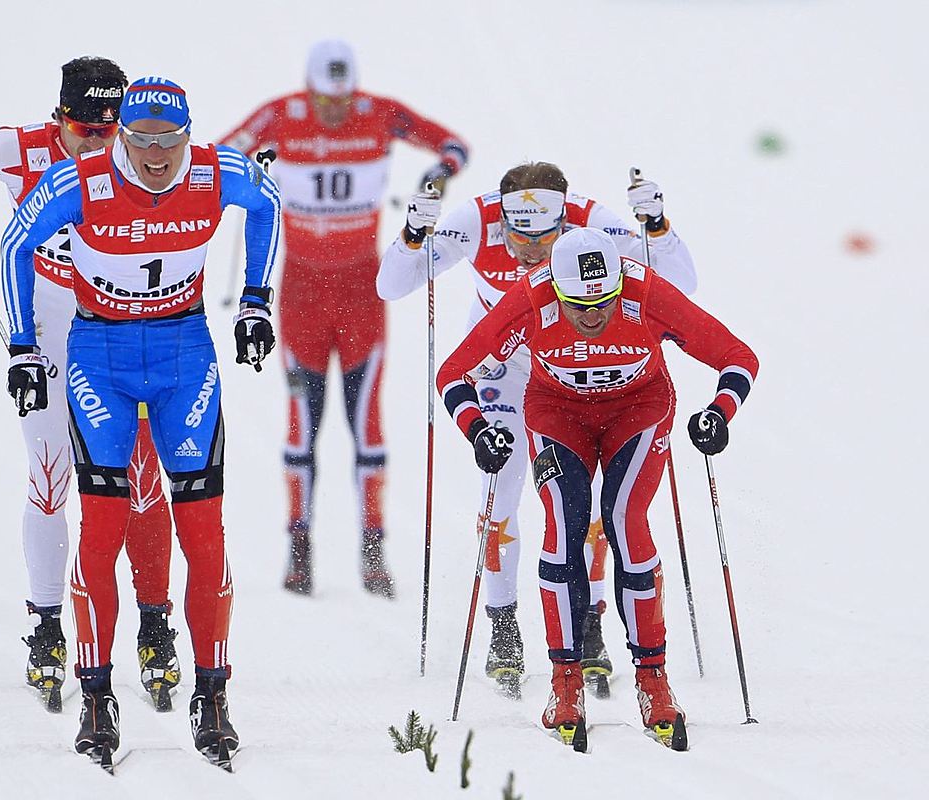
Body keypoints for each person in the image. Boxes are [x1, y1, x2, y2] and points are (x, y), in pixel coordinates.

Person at [0, 75, 281, 770]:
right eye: (142, 139)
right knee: (101, 525)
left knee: (202, 528)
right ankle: (96, 697)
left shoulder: (217, 170)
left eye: (170, 140)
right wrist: (23, 347)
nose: (157, 155)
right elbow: (14, 244)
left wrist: (254, 301)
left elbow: (270, 203)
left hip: (185, 350)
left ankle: (212, 695)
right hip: (101, 352)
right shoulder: (81, 180)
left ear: (189, 135)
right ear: (121, 133)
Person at [378, 162, 696, 695]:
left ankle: (590, 623)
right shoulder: (476, 221)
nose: (527, 249)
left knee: (591, 507)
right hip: (502, 365)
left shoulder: (592, 225)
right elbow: (391, 286)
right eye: (515, 234)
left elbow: (681, 286)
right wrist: (413, 235)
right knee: (499, 494)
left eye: (543, 236)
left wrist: (657, 226)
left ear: (564, 223)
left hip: (572, 367)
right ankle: (503, 628)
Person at [435, 226, 757, 750]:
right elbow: (453, 372)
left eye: (604, 301)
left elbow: (738, 357)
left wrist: (720, 414)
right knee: (564, 524)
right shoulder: (532, 299)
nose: (593, 315)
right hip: (556, 413)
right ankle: (565, 683)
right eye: (579, 305)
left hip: (639, 409)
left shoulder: (645, 293)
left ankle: (653, 680)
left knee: (625, 521)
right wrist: (476, 430)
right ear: (556, 288)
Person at [0, 57, 178, 712]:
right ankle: (46, 630)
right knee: (50, 475)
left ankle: (155, 625)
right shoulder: (18, 149)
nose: (100, 145)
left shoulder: (143, 155)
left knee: (141, 477)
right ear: (60, 119)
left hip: (116, 329)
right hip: (45, 325)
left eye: (111, 131)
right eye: (85, 131)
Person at [221, 40, 468, 597]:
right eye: (324, 101)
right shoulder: (280, 115)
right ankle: (299, 547)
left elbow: (453, 144)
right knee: (301, 422)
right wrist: (249, 174)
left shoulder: (376, 112)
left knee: (366, 422)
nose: (334, 112)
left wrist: (438, 176)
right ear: (308, 89)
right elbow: (214, 157)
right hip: (302, 291)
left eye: (343, 100)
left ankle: (373, 548)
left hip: (363, 289)